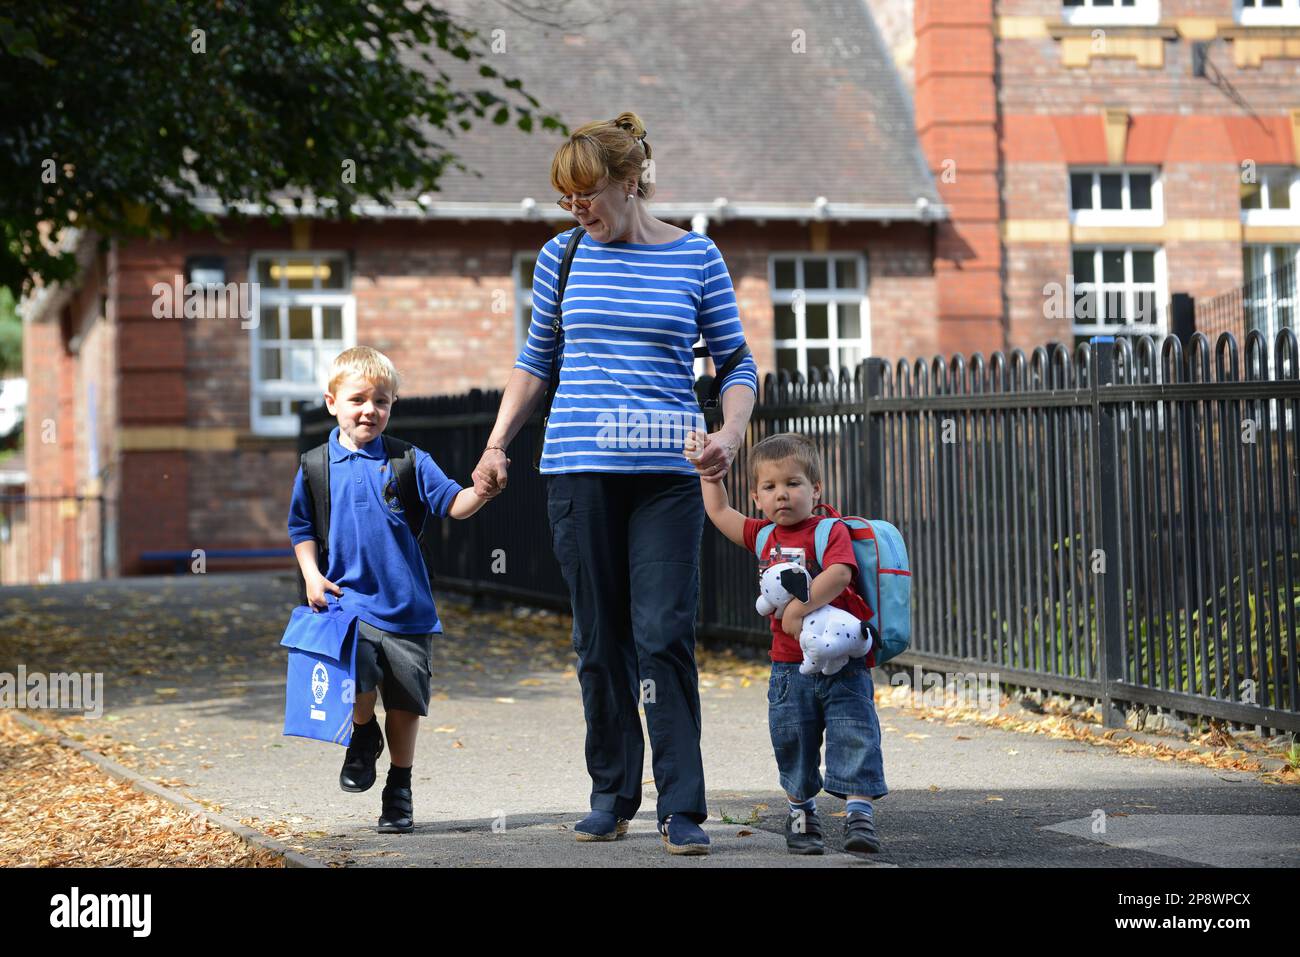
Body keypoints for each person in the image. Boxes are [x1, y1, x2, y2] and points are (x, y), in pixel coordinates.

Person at [471, 111, 758, 855]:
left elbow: (736, 364)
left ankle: (683, 805)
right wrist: (497, 444)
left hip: (667, 474)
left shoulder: (696, 256)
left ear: (631, 182)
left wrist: (728, 435)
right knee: (599, 643)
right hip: (577, 471)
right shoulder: (560, 256)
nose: (578, 210)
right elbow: (534, 363)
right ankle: (612, 793)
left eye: (589, 194)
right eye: (567, 200)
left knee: (663, 634)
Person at [288, 346, 495, 833]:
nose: (370, 410)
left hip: (408, 611)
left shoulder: (409, 460)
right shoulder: (316, 466)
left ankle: (398, 788)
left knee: (404, 705)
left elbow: (453, 503)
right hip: (346, 607)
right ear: (331, 402)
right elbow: (301, 528)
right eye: (358, 399)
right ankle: (362, 734)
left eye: (382, 401)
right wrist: (310, 576)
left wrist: (482, 491)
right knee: (356, 682)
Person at [687, 430, 887, 855]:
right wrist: (709, 472)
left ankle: (859, 815)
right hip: (787, 664)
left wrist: (797, 607)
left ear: (815, 490)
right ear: (757, 497)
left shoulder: (828, 529)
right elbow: (720, 511)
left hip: (843, 663)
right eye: (770, 487)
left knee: (854, 733)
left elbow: (840, 574)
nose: (782, 495)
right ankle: (801, 811)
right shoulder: (762, 536)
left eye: (793, 484)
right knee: (792, 738)